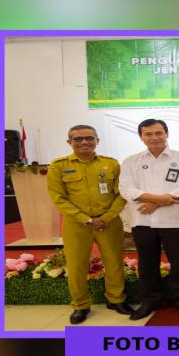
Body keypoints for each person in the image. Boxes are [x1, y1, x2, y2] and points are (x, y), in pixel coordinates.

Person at [47, 124, 132, 324]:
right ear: (69, 142)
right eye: (78, 139)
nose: (84, 142)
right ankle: (81, 305)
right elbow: (58, 198)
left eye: (89, 138)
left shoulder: (111, 164)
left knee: (114, 262)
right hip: (76, 224)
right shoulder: (58, 166)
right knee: (77, 265)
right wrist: (85, 219)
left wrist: (106, 217)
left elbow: (122, 194)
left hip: (108, 222)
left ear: (97, 141)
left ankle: (116, 299)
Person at [119, 119, 179, 321]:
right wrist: (159, 199)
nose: (154, 138)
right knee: (147, 262)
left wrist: (157, 202)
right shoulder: (131, 161)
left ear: (166, 134)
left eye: (158, 133)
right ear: (141, 137)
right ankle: (150, 300)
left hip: (174, 220)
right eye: (148, 134)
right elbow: (126, 189)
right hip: (142, 220)